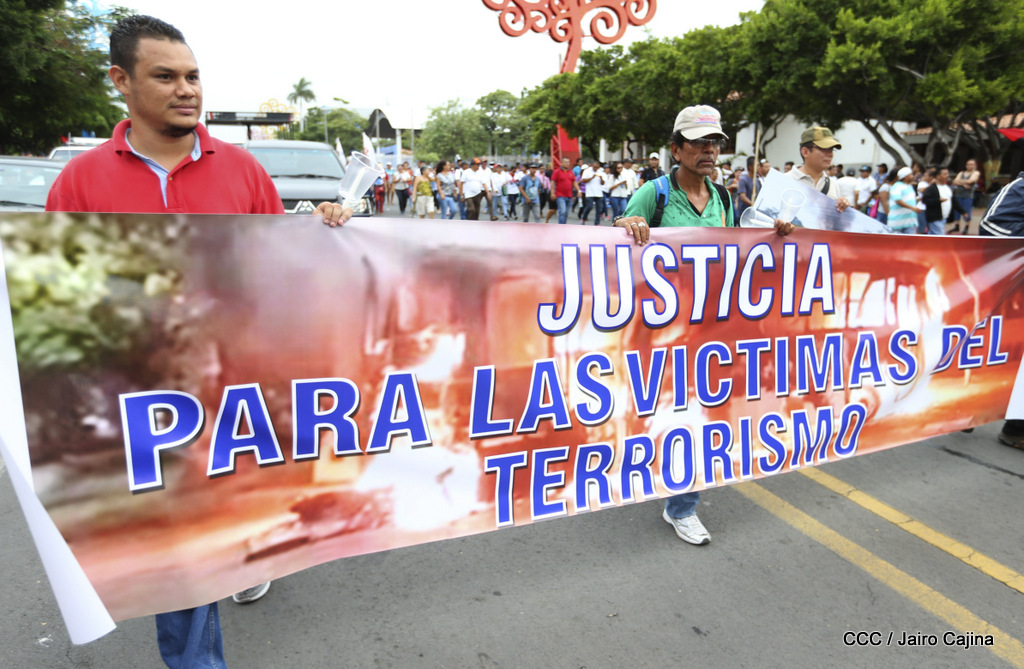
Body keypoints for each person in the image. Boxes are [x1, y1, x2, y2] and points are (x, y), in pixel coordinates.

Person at [45, 15, 351, 669]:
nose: (186, 90)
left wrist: (326, 230)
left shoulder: (242, 171)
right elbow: (58, 292)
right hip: (145, 393)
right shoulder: (80, 181)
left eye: (193, 76)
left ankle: (242, 556)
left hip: (234, 387)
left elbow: (283, 270)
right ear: (121, 81)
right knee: (179, 540)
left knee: (226, 520)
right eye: (165, 76)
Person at [614, 104, 794, 545]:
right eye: (698, 143)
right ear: (676, 150)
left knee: (698, 416)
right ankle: (657, 478)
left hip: (710, 332)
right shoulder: (654, 194)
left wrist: (775, 234)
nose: (709, 151)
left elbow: (733, 252)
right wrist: (626, 222)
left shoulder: (724, 198)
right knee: (663, 415)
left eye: (714, 143)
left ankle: (681, 507)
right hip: (659, 333)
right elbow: (615, 241)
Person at [977, 172, 1024, 449]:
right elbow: (991, 225)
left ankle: (1017, 426)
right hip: (1008, 290)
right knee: (993, 350)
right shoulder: (1020, 187)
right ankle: (964, 408)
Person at [786, 126, 851, 212]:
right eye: (824, 149)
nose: (830, 154)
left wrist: (843, 207)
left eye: (832, 149)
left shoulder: (832, 184)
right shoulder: (785, 180)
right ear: (805, 152)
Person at [920, 167, 956, 235]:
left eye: (947, 174)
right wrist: (938, 200)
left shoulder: (947, 187)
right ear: (938, 176)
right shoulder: (932, 188)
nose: (947, 176)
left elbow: (953, 200)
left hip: (943, 217)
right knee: (940, 235)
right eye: (944, 174)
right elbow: (925, 200)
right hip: (935, 218)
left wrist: (963, 211)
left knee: (933, 235)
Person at [887, 166, 922, 234]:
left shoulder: (909, 186)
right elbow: (898, 200)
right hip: (897, 223)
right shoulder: (897, 186)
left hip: (909, 222)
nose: (912, 176)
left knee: (910, 240)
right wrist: (913, 208)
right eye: (911, 175)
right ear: (906, 177)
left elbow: (910, 200)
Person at [951, 159, 981, 234]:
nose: (969, 166)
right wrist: (964, 184)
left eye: (971, 164)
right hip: (958, 194)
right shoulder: (961, 173)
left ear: (975, 165)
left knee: (967, 210)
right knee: (956, 210)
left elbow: (970, 181)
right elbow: (954, 181)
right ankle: (956, 226)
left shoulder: (975, 173)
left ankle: (966, 226)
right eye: (968, 164)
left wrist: (959, 182)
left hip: (968, 196)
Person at [550, 156, 579, 225]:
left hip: (569, 195)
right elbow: (553, 182)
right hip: (560, 195)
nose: (568, 164)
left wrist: (579, 190)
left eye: (568, 162)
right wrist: (552, 193)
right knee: (562, 211)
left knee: (566, 212)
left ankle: (564, 225)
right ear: (561, 163)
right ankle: (561, 226)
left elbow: (574, 182)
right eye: (566, 162)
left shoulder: (571, 172)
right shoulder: (557, 172)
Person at [579, 159, 606, 225]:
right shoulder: (587, 171)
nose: (595, 168)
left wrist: (601, 179)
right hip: (590, 193)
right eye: (594, 167)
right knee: (589, 206)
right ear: (592, 166)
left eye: (597, 167)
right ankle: (583, 218)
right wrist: (591, 178)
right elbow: (583, 180)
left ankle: (597, 222)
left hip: (598, 193)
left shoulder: (601, 172)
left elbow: (603, 183)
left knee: (599, 209)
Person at [735, 156, 756, 223]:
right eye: (756, 165)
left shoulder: (758, 180)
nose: (759, 167)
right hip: (743, 215)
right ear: (750, 167)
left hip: (754, 215)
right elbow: (742, 197)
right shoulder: (743, 179)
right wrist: (753, 204)